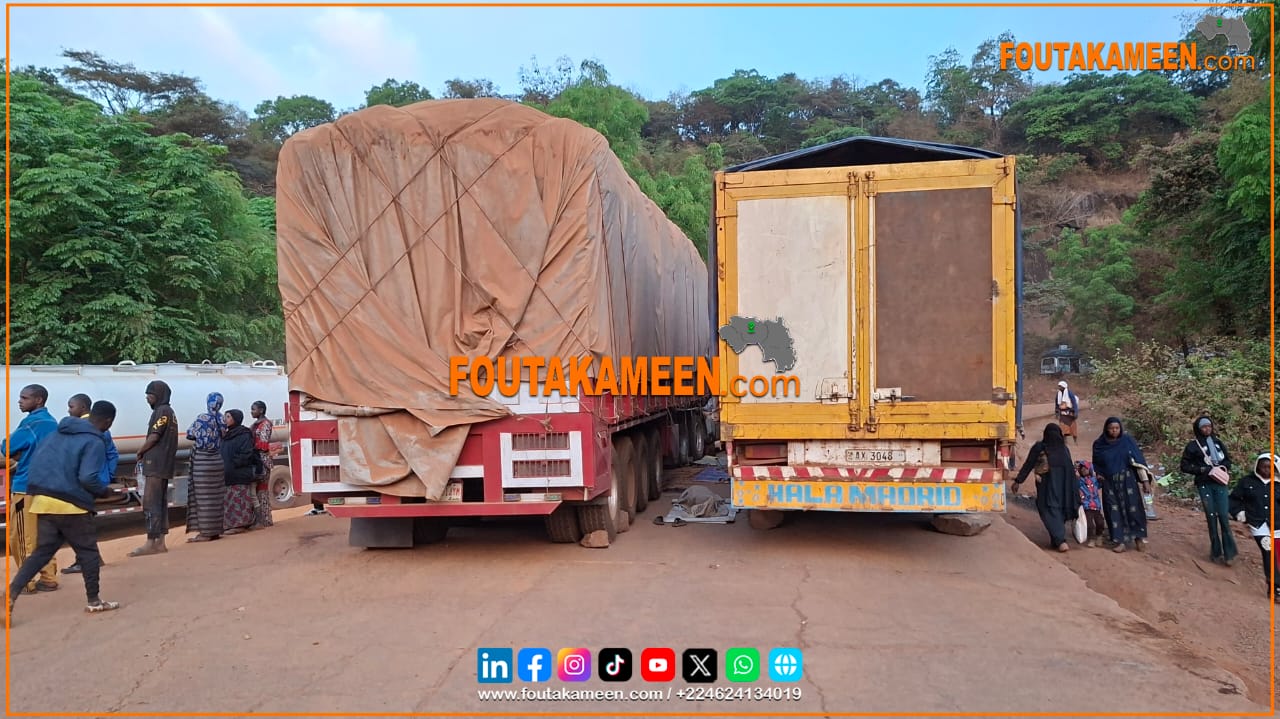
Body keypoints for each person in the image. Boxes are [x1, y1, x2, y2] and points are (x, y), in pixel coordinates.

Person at [7, 401, 122, 617]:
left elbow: (37, 462)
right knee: (88, 553)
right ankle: (94, 601)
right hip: (71, 505)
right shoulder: (94, 441)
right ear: (108, 421)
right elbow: (88, 477)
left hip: (42, 500)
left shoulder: (58, 434)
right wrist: (106, 492)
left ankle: (10, 594)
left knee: (42, 552)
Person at [3, 384, 60, 593]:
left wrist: (17, 454)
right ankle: (49, 576)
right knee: (44, 534)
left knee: (21, 537)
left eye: (24, 398)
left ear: (38, 401)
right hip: (48, 486)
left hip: (25, 487)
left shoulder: (31, 423)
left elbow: (6, 447)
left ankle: (27, 580)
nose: (20, 401)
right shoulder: (53, 423)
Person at [61, 393, 119, 575]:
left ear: (84, 408)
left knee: (80, 523)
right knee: (83, 522)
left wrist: (102, 478)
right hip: (91, 481)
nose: (69, 410)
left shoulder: (85, 429)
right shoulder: (96, 429)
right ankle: (92, 559)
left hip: (86, 482)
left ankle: (87, 561)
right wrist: (107, 476)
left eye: (72, 406)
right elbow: (113, 454)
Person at [1011, 423, 1080, 552]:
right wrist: (1018, 480)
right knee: (1052, 509)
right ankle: (1057, 539)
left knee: (1052, 509)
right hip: (1055, 486)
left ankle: (1060, 540)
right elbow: (1029, 464)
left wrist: (1018, 481)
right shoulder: (1054, 449)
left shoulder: (1054, 449)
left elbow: (1029, 464)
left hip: (1054, 486)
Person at [1180, 415, 1238, 566]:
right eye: (1204, 427)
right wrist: (1202, 469)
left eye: (1209, 426)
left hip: (1220, 483)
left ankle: (1229, 553)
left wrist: (1222, 467)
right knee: (1211, 517)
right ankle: (1216, 551)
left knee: (1224, 516)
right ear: (1198, 429)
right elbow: (1184, 466)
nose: (1207, 429)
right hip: (1204, 484)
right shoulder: (1193, 446)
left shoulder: (1218, 443)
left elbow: (1228, 460)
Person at [130, 380, 178, 557]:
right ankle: (160, 543)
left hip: (156, 464)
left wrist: (140, 450)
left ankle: (151, 542)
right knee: (160, 502)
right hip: (163, 464)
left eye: (150, 394)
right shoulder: (169, 412)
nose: (147, 398)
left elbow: (154, 436)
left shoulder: (162, 411)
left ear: (159, 395)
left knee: (150, 503)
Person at [1092, 416, 1150, 553]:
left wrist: (1145, 481)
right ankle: (1120, 540)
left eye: (1117, 428)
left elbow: (1138, 461)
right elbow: (1097, 464)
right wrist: (1098, 476)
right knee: (1113, 511)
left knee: (1133, 509)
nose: (1114, 431)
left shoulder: (1127, 441)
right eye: (1111, 428)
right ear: (1106, 429)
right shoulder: (1099, 445)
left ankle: (1138, 538)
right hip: (1109, 483)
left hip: (1127, 481)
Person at [1230, 454, 1279, 601]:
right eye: (1263, 466)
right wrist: (1240, 513)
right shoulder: (1247, 482)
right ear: (1257, 466)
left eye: (1270, 467)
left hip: (1277, 525)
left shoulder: (1278, 483)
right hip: (1258, 524)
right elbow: (1234, 499)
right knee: (1268, 551)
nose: (1266, 469)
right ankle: (1275, 587)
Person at [184, 392, 226, 542]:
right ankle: (214, 531)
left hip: (203, 462)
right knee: (216, 499)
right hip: (217, 461)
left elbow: (189, 434)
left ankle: (205, 533)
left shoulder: (203, 418)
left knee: (203, 499)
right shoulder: (222, 418)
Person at [220, 409, 259, 535]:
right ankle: (231, 524)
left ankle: (241, 524)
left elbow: (247, 453)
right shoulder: (227, 435)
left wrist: (233, 463)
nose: (225, 419)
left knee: (239, 499)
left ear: (235, 419)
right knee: (229, 500)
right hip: (229, 473)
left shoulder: (244, 434)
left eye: (228, 417)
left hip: (240, 473)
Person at [249, 401, 274, 529]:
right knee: (256, 491)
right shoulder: (256, 424)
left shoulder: (265, 424)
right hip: (256, 459)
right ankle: (260, 520)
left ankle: (265, 519)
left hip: (263, 461)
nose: (251, 411)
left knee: (262, 491)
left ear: (261, 410)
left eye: (254, 409)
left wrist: (251, 446)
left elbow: (263, 444)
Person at [1076, 460, 1106, 548]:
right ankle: (1091, 539)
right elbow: (1074, 481)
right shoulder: (1080, 481)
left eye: (1086, 468)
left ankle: (1099, 536)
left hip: (1096, 506)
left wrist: (1101, 479)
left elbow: (1102, 483)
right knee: (1089, 524)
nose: (1084, 470)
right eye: (1082, 469)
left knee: (1100, 522)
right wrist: (1075, 469)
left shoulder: (1095, 480)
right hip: (1086, 506)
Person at [1054, 380, 1080, 445]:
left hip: (1070, 413)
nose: (1059, 388)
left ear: (1064, 387)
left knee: (1073, 428)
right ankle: (1065, 442)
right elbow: (1057, 403)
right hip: (1062, 413)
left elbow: (1074, 403)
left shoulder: (1069, 393)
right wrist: (1057, 412)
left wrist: (1076, 412)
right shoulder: (1058, 394)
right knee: (1063, 428)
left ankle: (1075, 441)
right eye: (1059, 386)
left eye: (1060, 386)